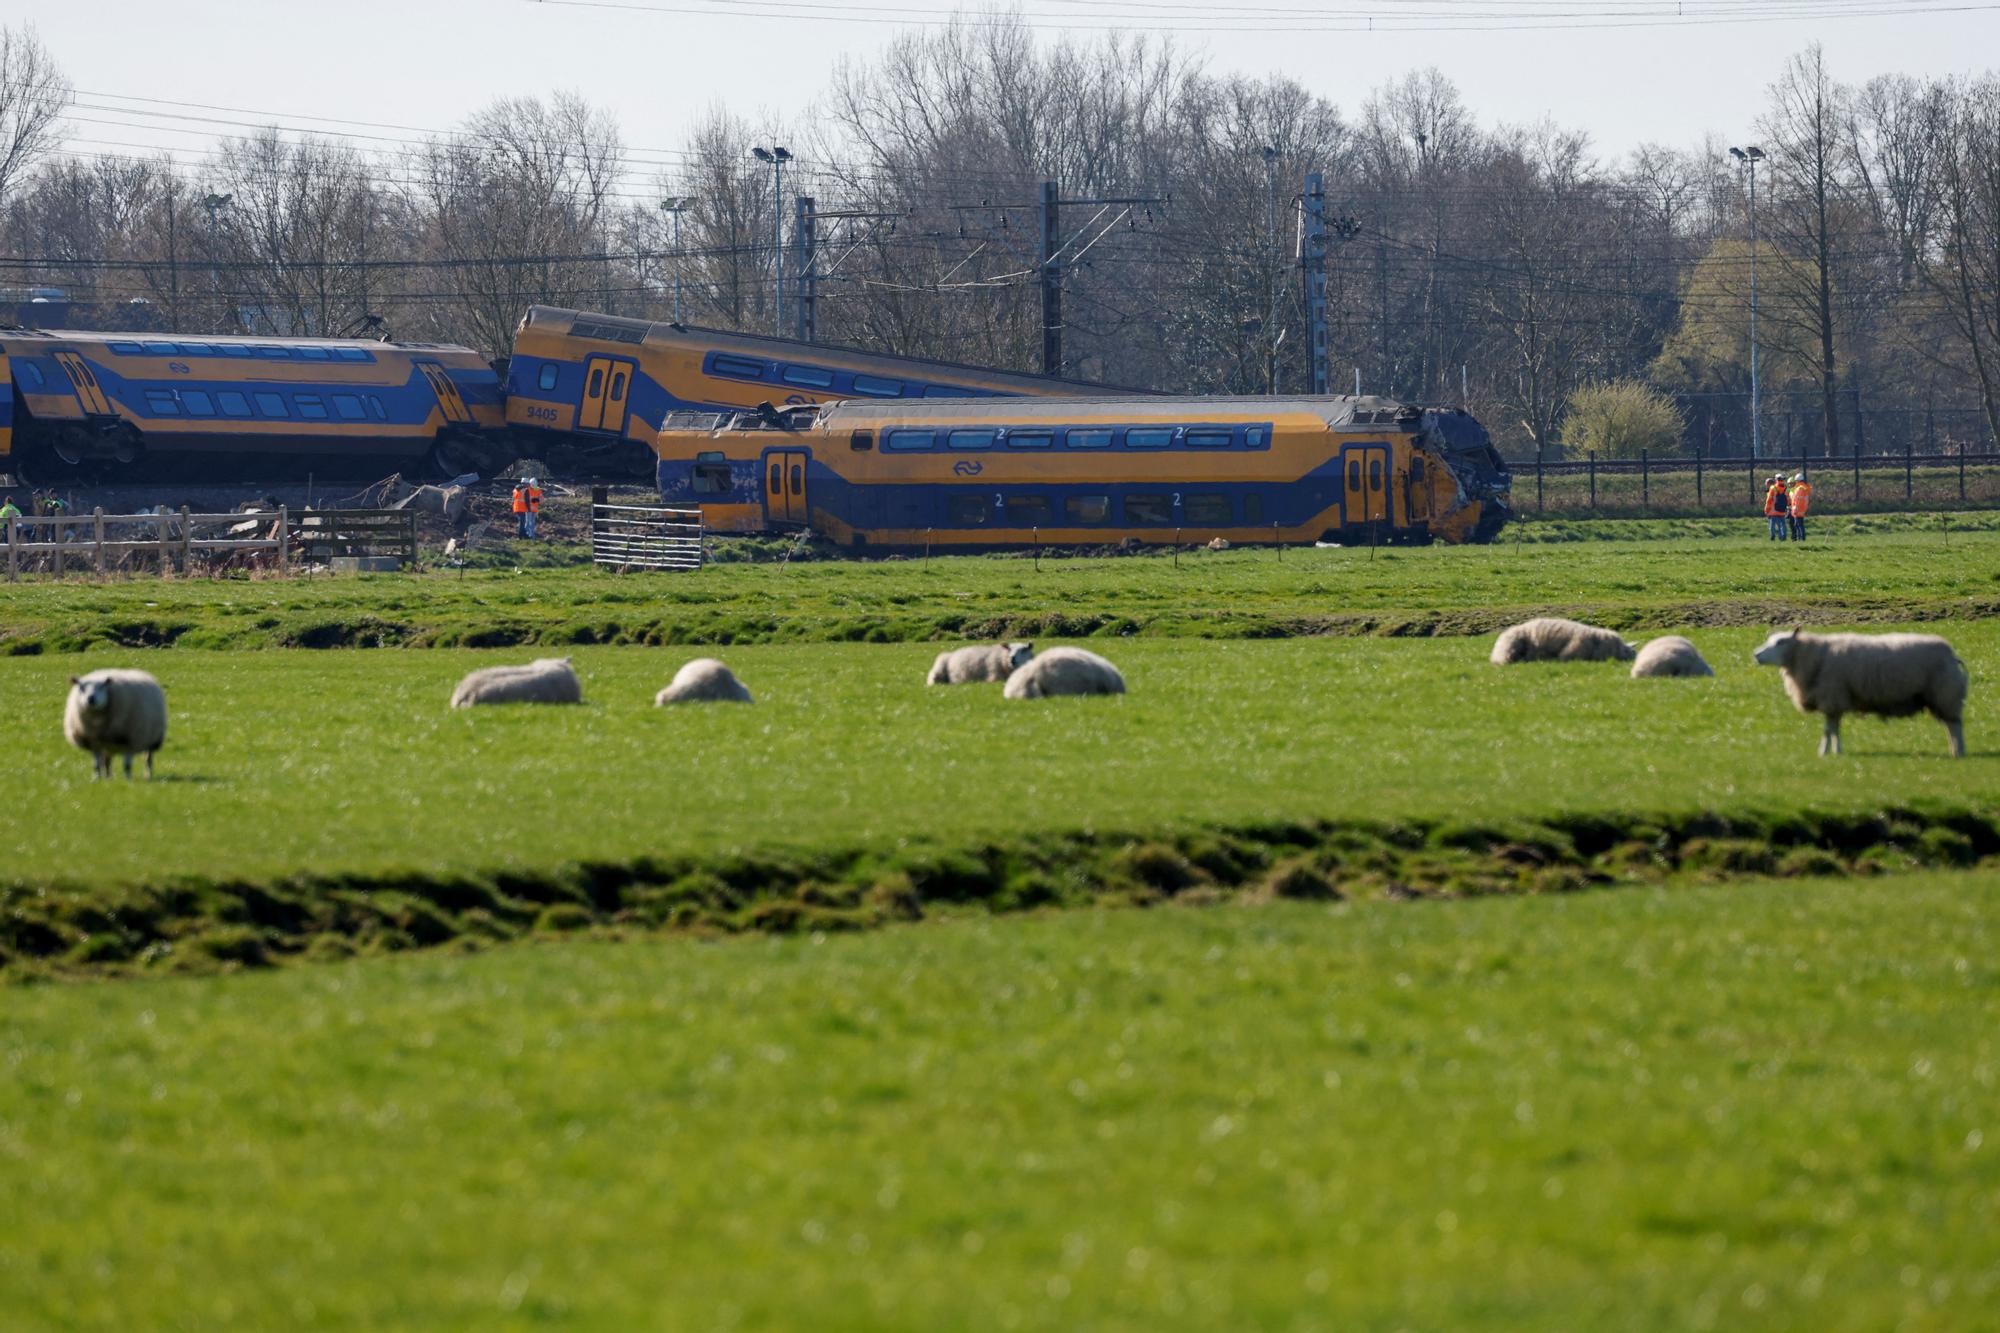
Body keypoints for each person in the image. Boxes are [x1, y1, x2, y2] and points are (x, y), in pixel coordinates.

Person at [1763, 473, 1790, 541]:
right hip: (1782, 510)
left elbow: (1769, 500)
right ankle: (1783, 537)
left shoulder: (1773, 488)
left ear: (1776, 479)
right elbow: (1788, 500)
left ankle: (1773, 536)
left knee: (1772, 525)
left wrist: (1766, 509)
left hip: (1773, 511)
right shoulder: (1787, 489)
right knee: (1782, 525)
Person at [1788, 472, 1813, 541]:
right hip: (1803, 509)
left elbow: (1798, 499)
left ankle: (1801, 538)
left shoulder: (1799, 488)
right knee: (1799, 524)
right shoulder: (1805, 488)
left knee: (1799, 525)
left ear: (1797, 480)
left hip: (1798, 509)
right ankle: (1800, 538)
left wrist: (1795, 507)